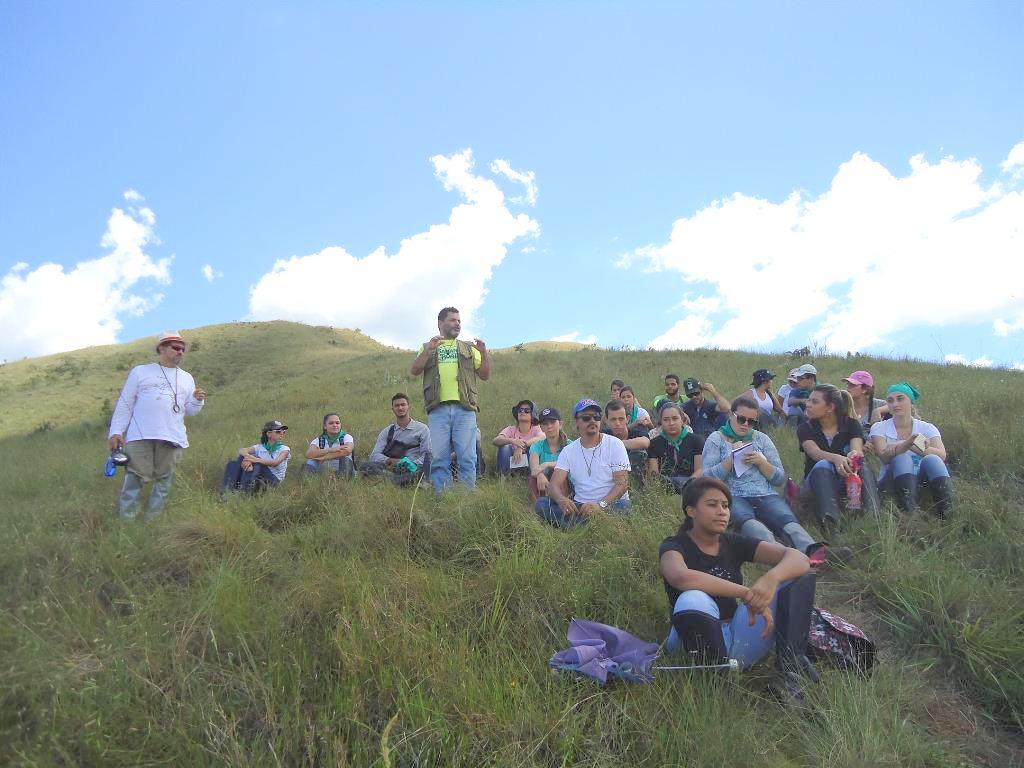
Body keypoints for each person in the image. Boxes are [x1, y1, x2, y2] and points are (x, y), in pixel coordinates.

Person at [659, 477, 819, 700]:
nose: (722, 511)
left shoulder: (732, 542)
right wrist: (745, 592)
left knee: (797, 577)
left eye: (725, 506)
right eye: (712, 505)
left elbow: (800, 558)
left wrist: (771, 578)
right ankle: (714, 683)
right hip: (690, 642)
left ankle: (791, 670)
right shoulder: (674, 545)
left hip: (737, 634)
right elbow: (681, 577)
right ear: (691, 511)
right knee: (693, 598)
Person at [702, 396, 830, 565]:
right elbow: (708, 478)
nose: (745, 424)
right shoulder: (716, 439)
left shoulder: (762, 439)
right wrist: (730, 460)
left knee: (784, 517)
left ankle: (813, 551)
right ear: (731, 415)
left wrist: (762, 463)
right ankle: (780, 555)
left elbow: (779, 478)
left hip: (765, 493)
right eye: (741, 419)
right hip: (731, 495)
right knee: (747, 520)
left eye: (751, 421)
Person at [107, 331, 206, 520]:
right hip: (140, 436)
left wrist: (197, 400)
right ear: (161, 348)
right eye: (176, 348)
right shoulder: (141, 371)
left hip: (173, 436)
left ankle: (151, 522)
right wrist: (116, 431)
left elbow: (191, 411)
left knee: (163, 482)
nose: (180, 352)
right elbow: (125, 403)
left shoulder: (187, 377)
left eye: (183, 349)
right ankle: (127, 523)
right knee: (134, 479)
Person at [410, 306, 491, 492]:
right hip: (437, 410)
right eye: (453, 320)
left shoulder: (469, 348)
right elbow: (414, 370)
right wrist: (428, 351)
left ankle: (466, 500)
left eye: (459, 321)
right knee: (439, 458)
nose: (457, 324)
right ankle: (443, 499)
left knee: (468, 458)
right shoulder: (427, 347)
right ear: (440, 323)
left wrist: (484, 353)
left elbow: (485, 375)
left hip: (465, 409)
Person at [536, 399, 631, 528]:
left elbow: (622, 484)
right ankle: (594, 526)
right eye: (586, 418)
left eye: (596, 417)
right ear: (577, 423)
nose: (592, 420)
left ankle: (577, 527)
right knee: (541, 504)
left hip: (608, 504)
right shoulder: (569, 451)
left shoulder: (615, 444)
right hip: (580, 507)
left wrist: (600, 505)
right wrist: (561, 500)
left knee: (623, 506)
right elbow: (553, 485)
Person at [798, 384, 880, 529]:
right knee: (823, 464)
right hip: (814, 483)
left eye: (814, 402)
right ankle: (831, 523)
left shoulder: (851, 424)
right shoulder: (805, 428)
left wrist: (853, 455)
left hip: (846, 480)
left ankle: (873, 516)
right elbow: (815, 453)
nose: (808, 404)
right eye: (808, 400)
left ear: (830, 407)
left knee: (864, 468)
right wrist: (837, 458)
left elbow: (857, 450)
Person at [870, 383, 954, 517]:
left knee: (932, 459)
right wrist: (908, 443)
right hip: (892, 479)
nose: (895, 404)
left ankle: (949, 513)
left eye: (900, 398)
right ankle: (909, 514)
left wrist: (908, 444)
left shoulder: (926, 427)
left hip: (922, 477)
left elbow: (941, 455)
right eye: (890, 401)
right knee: (902, 458)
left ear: (911, 402)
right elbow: (885, 457)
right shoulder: (879, 427)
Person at [363, 393, 432, 486]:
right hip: (392, 468)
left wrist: (411, 464)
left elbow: (427, 455)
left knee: (422, 471)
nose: (400, 408)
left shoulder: (422, 429)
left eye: (403, 405)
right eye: (397, 405)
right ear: (393, 409)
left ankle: (400, 481)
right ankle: (398, 480)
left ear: (408, 407)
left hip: (414, 468)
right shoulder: (387, 431)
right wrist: (390, 460)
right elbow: (374, 455)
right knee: (366, 466)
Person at [647, 403, 704, 493]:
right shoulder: (654, 443)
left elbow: (700, 469)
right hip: (665, 486)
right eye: (666, 420)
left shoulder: (696, 440)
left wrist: (688, 483)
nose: (671, 423)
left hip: (691, 485)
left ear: (682, 420)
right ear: (661, 422)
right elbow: (654, 473)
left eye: (675, 418)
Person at [221, 421, 291, 493]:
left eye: (283, 432)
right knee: (233, 463)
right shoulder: (260, 447)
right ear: (269, 434)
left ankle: (244, 491)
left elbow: (275, 463)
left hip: (274, 480)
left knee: (256, 464)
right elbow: (242, 450)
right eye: (278, 431)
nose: (282, 433)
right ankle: (227, 490)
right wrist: (248, 458)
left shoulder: (284, 449)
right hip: (260, 476)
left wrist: (255, 460)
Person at [603, 398, 651, 487]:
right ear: (607, 420)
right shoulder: (604, 434)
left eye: (621, 419)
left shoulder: (637, 431)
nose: (617, 423)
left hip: (634, 478)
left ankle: (637, 490)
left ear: (627, 419)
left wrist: (616, 444)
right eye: (613, 419)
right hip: (610, 481)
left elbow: (645, 442)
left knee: (638, 454)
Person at [492, 400, 544, 477]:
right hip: (512, 461)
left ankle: (532, 477)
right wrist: (512, 441)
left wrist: (522, 446)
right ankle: (503, 477)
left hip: (529, 462)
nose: (522, 412)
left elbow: (542, 437)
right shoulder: (511, 429)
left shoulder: (536, 428)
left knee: (533, 447)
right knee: (504, 447)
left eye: (527, 410)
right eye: (520, 410)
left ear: (532, 415)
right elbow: (495, 441)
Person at [529, 407, 568, 504]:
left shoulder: (570, 445)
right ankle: (538, 508)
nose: (549, 426)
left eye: (553, 422)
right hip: (544, 484)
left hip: (566, 485)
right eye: (545, 424)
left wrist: (546, 464)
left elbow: (571, 465)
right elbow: (534, 469)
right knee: (532, 478)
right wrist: (540, 474)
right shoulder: (537, 446)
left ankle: (564, 507)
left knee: (557, 472)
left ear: (560, 424)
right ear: (541, 428)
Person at [303, 413, 355, 477]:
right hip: (324, 470)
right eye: (331, 423)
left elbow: (347, 450)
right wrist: (331, 450)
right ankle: (309, 482)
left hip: (344, 470)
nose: (335, 425)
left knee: (346, 458)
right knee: (310, 462)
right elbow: (309, 454)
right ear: (325, 426)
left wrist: (324, 457)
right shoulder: (318, 440)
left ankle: (343, 481)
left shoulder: (346, 437)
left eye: (337, 423)